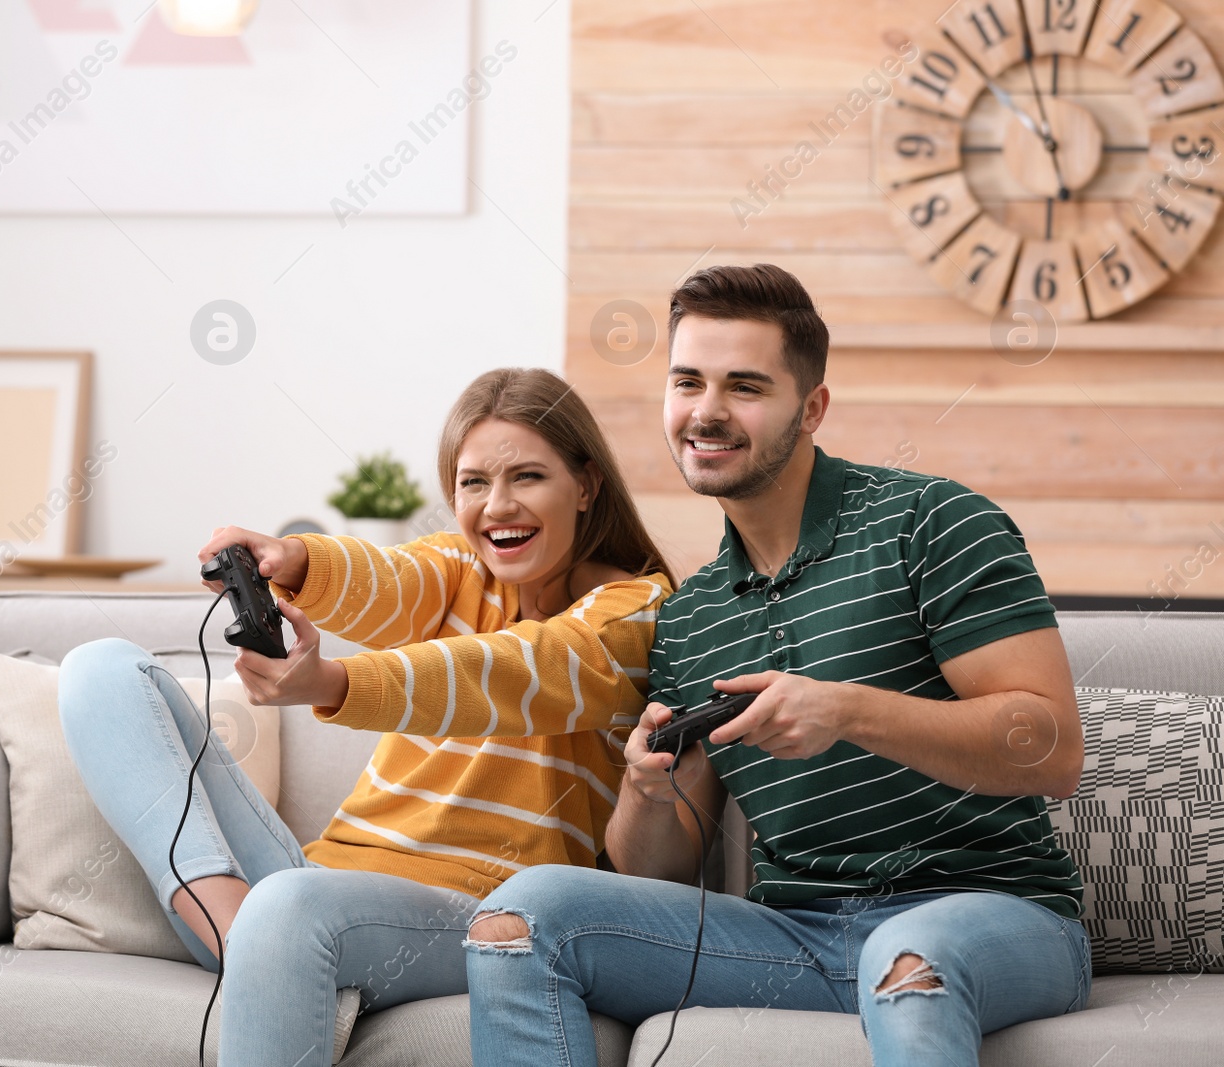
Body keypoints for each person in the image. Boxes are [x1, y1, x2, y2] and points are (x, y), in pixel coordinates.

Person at [464, 265, 1089, 1067]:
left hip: (989, 916)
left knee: (906, 958)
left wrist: (845, 710)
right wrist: (647, 790)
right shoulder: (691, 617)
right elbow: (657, 867)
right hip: (795, 935)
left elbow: (1053, 749)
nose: (707, 411)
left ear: (812, 407)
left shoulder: (931, 523)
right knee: (520, 920)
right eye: (687, 380)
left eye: (745, 386)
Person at [57, 368, 674, 1067]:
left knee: (290, 911)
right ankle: (242, 935)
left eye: (527, 476)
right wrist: (293, 560)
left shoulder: (635, 609)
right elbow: (386, 579)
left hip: (474, 913)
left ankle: (264, 941)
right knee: (100, 669)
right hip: (316, 884)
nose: (496, 506)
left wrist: (332, 680)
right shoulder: (457, 567)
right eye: (472, 482)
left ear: (587, 484)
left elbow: (513, 670)